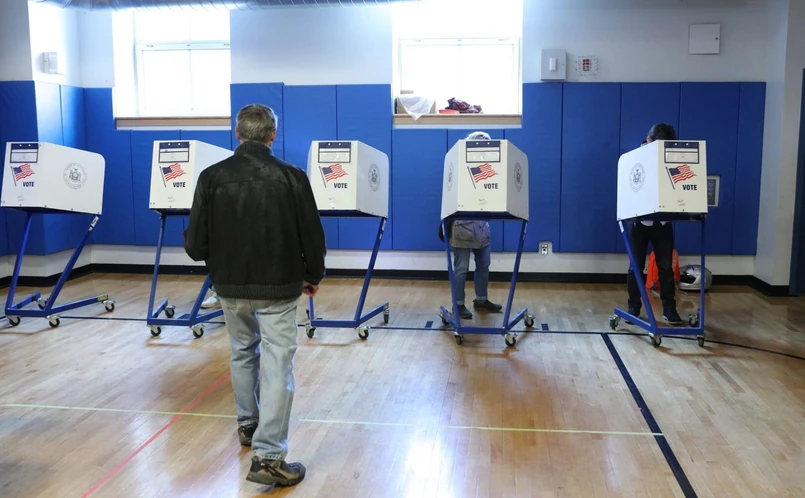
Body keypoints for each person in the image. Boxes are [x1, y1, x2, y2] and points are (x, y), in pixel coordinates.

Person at [184, 103, 326, 488]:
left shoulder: (211, 177)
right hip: (279, 286)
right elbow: (312, 236)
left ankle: (248, 424)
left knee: (242, 351)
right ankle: (268, 456)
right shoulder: (292, 177)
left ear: (237, 133)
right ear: (272, 135)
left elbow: (195, 246)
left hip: (229, 286)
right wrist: (313, 274)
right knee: (278, 363)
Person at [439, 131, 503, 319]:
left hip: (481, 225)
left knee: (484, 264)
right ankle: (458, 305)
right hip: (463, 226)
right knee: (461, 268)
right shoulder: (459, 169)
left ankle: (481, 299)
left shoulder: (490, 169)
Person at [626, 122, 682, 324]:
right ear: (649, 140)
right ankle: (633, 307)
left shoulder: (672, 158)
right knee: (635, 267)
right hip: (639, 222)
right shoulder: (634, 159)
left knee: (665, 267)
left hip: (663, 223)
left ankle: (669, 310)